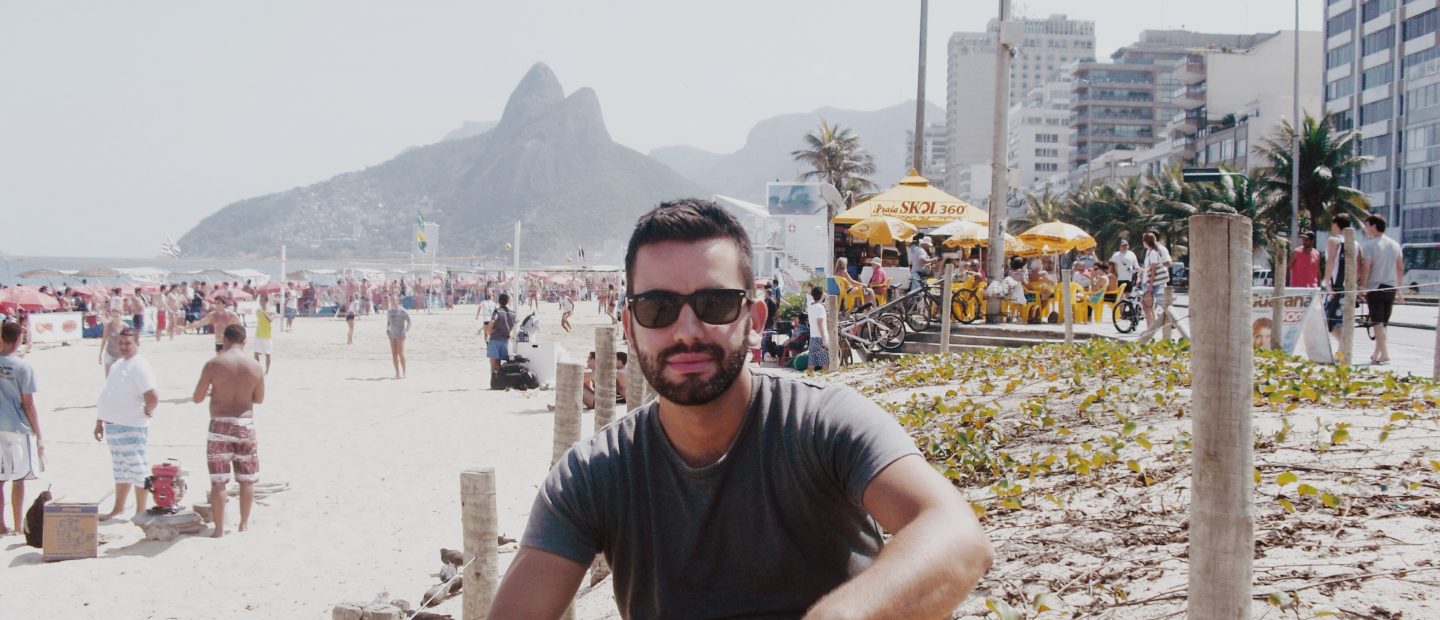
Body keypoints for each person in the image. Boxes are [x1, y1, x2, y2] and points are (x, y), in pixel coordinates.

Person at [490, 199, 992, 618]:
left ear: (754, 319)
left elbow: (957, 536)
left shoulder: (823, 423)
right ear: (630, 326)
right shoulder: (594, 474)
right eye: (658, 308)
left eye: (715, 304)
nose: (687, 330)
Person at [191, 325, 265, 537]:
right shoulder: (255, 366)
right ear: (244, 342)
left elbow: (197, 398)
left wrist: (215, 392)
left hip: (219, 424)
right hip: (244, 424)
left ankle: (219, 529)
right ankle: (243, 524)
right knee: (246, 479)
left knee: (218, 481)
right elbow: (259, 399)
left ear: (224, 340)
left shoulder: (213, 364)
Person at [93, 327, 158, 521]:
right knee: (121, 469)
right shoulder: (118, 364)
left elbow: (152, 396)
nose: (123, 346)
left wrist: (146, 412)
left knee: (138, 469)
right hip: (112, 425)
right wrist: (100, 420)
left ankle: (140, 511)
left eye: (128, 343)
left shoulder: (139, 364)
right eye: (121, 343)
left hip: (131, 426)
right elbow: (109, 393)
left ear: (137, 343)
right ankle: (118, 508)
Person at [0, 321, 42, 536]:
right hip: (17, 426)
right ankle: (17, 526)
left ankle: (1, 524)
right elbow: (29, 404)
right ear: (18, 339)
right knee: (18, 478)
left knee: (0, 479)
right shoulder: (23, 367)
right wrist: (39, 433)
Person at [1358, 214, 1403, 365]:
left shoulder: (1369, 245)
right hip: (1391, 287)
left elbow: (1366, 267)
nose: (1365, 228)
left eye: (1366, 225)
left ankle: (1385, 354)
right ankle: (1376, 354)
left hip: (1375, 287)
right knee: (1383, 323)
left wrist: (1362, 286)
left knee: (1377, 322)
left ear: (1373, 226)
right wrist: (1399, 289)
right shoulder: (1395, 245)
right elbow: (1400, 268)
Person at [1324, 214, 1354, 338]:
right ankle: (1344, 347)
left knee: (1330, 322)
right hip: (1349, 287)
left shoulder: (1334, 240)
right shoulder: (1354, 243)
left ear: (1336, 225)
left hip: (1335, 286)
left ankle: (1343, 347)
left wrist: (1327, 281)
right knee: (1341, 322)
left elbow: (1330, 260)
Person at [1140, 230, 1172, 328]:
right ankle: (1151, 328)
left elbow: (1154, 269)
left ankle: (1150, 328)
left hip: (1153, 283)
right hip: (1149, 282)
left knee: (1147, 306)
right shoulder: (1150, 251)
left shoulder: (1154, 251)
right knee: (1149, 307)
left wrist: (1150, 285)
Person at [487, 293, 517, 389]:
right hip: (505, 340)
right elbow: (513, 325)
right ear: (507, 301)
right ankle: (500, 381)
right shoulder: (512, 313)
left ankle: (493, 383)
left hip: (495, 338)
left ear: (499, 301)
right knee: (499, 363)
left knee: (493, 362)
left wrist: (489, 331)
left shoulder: (497, 311)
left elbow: (492, 321)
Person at [805, 285, 830, 372]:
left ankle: (809, 376)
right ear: (821, 295)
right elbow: (820, 324)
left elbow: (810, 296)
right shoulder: (820, 308)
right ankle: (825, 378)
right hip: (820, 337)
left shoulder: (810, 304)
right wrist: (824, 339)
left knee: (812, 361)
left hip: (813, 337)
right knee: (824, 362)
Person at [386, 296, 411, 379]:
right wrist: (387, 330)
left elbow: (409, 322)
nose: (392, 301)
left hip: (400, 334)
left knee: (400, 353)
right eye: (391, 300)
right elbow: (388, 322)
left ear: (398, 300)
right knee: (394, 353)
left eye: (394, 300)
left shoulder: (402, 311)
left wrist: (405, 330)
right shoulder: (389, 311)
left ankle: (404, 371)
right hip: (391, 334)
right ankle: (397, 372)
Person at [98, 310, 127, 376]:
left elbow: (130, 341)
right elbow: (104, 340)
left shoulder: (125, 326)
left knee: (121, 375)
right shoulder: (108, 326)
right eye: (113, 316)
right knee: (108, 376)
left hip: (120, 354)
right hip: (109, 352)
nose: (115, 318)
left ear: (121, 316)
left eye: (117, 316)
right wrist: (100, 354)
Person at [252, 295, 276, 374]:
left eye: (262, 300)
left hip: (267, 336)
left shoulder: (271, 310)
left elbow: (270, 320)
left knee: (267, 354)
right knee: (256, 353)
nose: (260, 302)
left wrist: (264, 313)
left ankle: (267, 371)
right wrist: (263, 312)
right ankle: (257, 370)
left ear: (266, 301)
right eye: (260, 300)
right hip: (258, 334)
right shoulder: (258, 310)